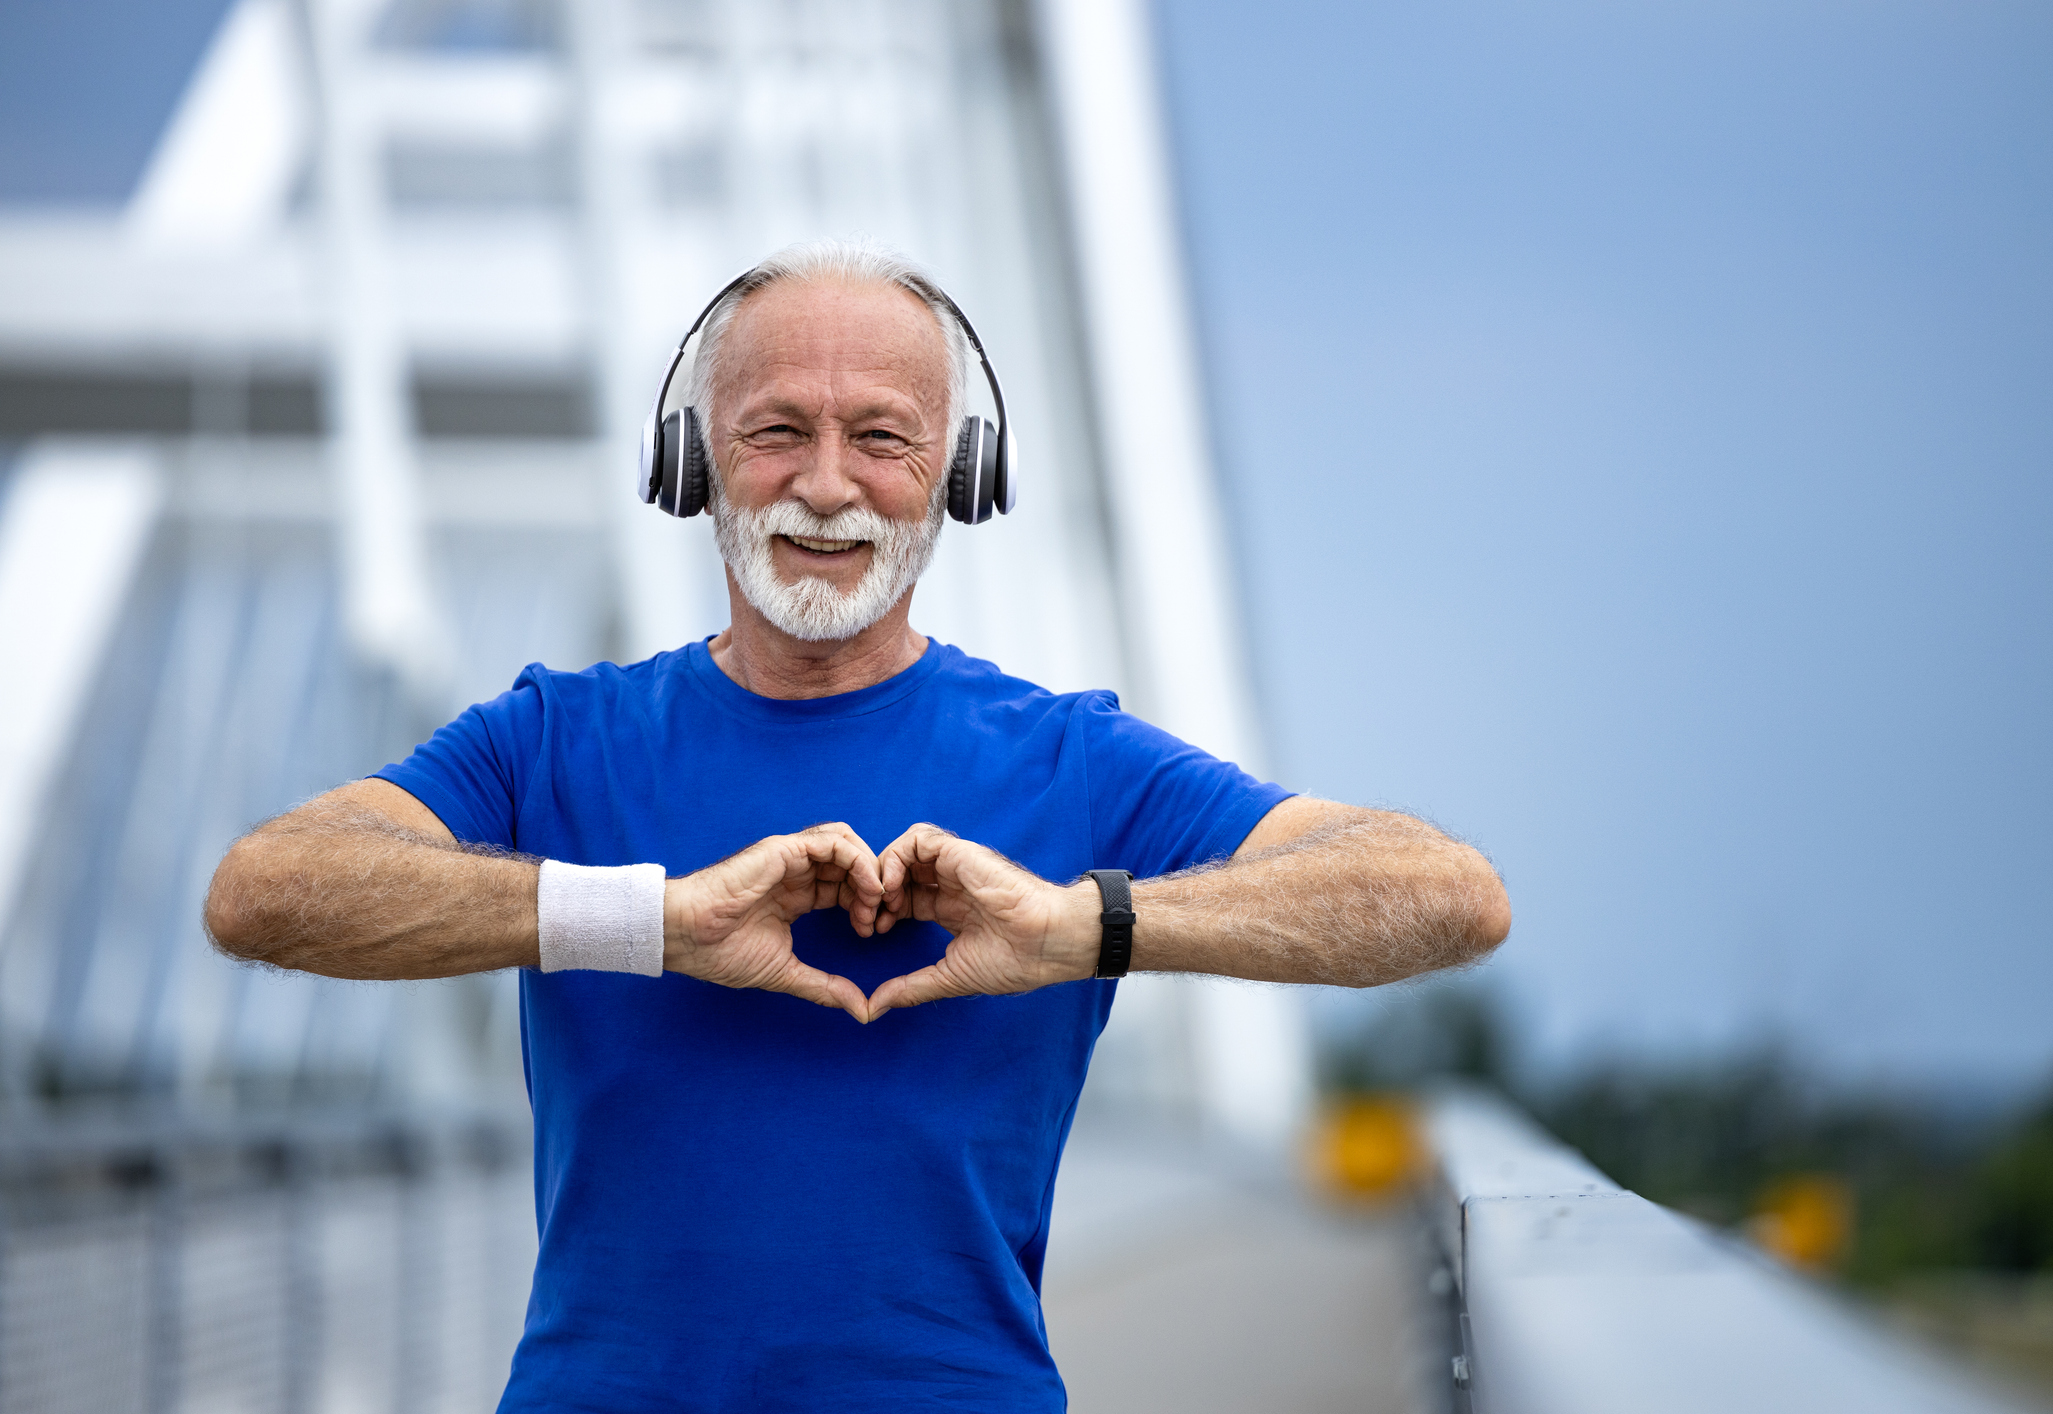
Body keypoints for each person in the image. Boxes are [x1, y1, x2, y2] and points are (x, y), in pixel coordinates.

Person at [204, 238, 1510, 1413]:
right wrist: (653, 919)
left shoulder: (1068, 760)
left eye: (881, 438)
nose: (826, 485)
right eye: (777, 428)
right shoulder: (555, 738)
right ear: (692, 455)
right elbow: (268, 890)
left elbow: (1442, 894)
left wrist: (1079, 925)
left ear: (960, 473)